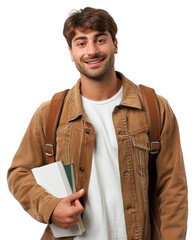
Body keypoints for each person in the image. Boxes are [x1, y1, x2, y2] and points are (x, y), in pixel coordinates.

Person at [7, 7, 188, 240]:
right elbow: (19, 173)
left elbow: (173, 190)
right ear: (71, 52)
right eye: (81, 43)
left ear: (115, 44)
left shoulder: (154, 107)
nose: (92, 51)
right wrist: (49, 207)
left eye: (100, 40)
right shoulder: (50, 113)